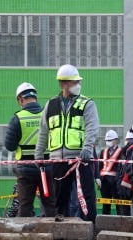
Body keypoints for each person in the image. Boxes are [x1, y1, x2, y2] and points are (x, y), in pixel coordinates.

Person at [35, 64, 98, 221]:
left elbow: (92, 128)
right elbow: (43, 131)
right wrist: (38, 154)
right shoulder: (51, 105)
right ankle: (60, 229)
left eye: (78, 82)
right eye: (74, 82)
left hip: (80, 159)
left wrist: (87, 149)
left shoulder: (87, 103)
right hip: (58, 160)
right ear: (64, 84)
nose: (78, 85)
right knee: (59, 198)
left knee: (86, 195)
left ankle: (89, 225)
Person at [5, 82, 56, 217]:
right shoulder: (48, 115)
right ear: (36, 97)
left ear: (20, 99)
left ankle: (26, 235)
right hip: (46, 167)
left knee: (25, 205)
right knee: (49, 203)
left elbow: (9, 146)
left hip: (25, 169)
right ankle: (53, 234)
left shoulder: (17, 118)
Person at [99, 130, 124, 215]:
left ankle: (120, 223)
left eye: (110, 140)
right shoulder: (103, 151)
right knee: (106, 204)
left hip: (115, 182)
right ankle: (105, 223)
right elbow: (100, 165)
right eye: (107, 140)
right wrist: (98, 178)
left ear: (116, 140)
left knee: (118, 204)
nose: (108, 142)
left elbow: (122, 167)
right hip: (104, 181)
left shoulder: (121, 151)